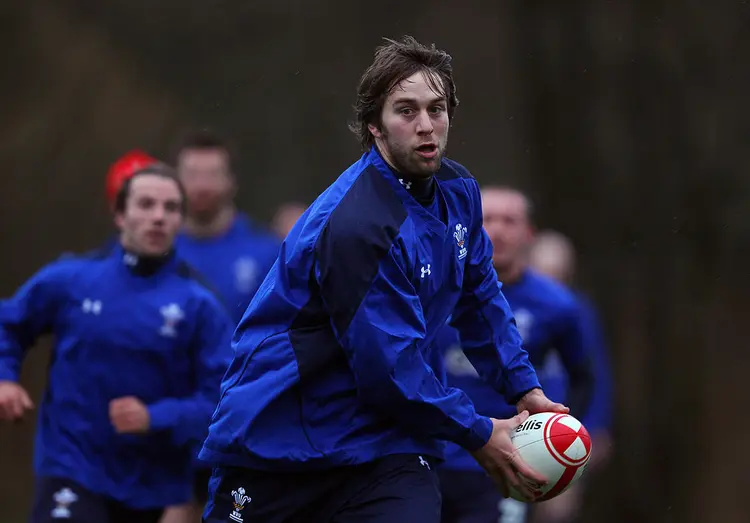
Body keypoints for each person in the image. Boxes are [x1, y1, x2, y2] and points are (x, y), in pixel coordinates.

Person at [199, 36, 567, 523]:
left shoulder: (459, 192)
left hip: (387, 446)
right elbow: (386, 368)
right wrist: (479, 433)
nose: (425, 125)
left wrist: (524, 390)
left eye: (437, 109)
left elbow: (479, 299)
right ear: (374, 125)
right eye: (406, 110)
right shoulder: (358, 224)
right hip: (282, 441)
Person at [0, 164, 234, 523]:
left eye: (170, 208)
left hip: (150, 486)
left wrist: (155, 417)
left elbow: (222, 401)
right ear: (120, 214)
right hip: (72, 466)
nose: (158, 217)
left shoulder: (199, 306)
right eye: (146, 204)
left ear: (180, 221)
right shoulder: (70, 281)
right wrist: (6, 377)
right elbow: (10, 323)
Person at [436, 187, 595, 523]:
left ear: (529, 234)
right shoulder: (434, 289)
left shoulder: (558, 304)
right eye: (487, 219)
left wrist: (557, 442)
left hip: (506, 459)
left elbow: (583, 376)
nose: (497, 229)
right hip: (430, 453)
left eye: (510, 220)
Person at [527, 230, 614, 523]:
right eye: (543, 272)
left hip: (566, 433)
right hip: (516, 430)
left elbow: (596, 374)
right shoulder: (509, 308)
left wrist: (596, 427)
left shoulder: (579, 312)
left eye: (558, 273)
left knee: (556, 512)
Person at [172, 128, 281, 324]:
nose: (202, 186)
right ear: (174, 181)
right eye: (192, 174)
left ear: (232, 181)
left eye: (213, 174)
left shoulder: (267, 253)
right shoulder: (153, 251)